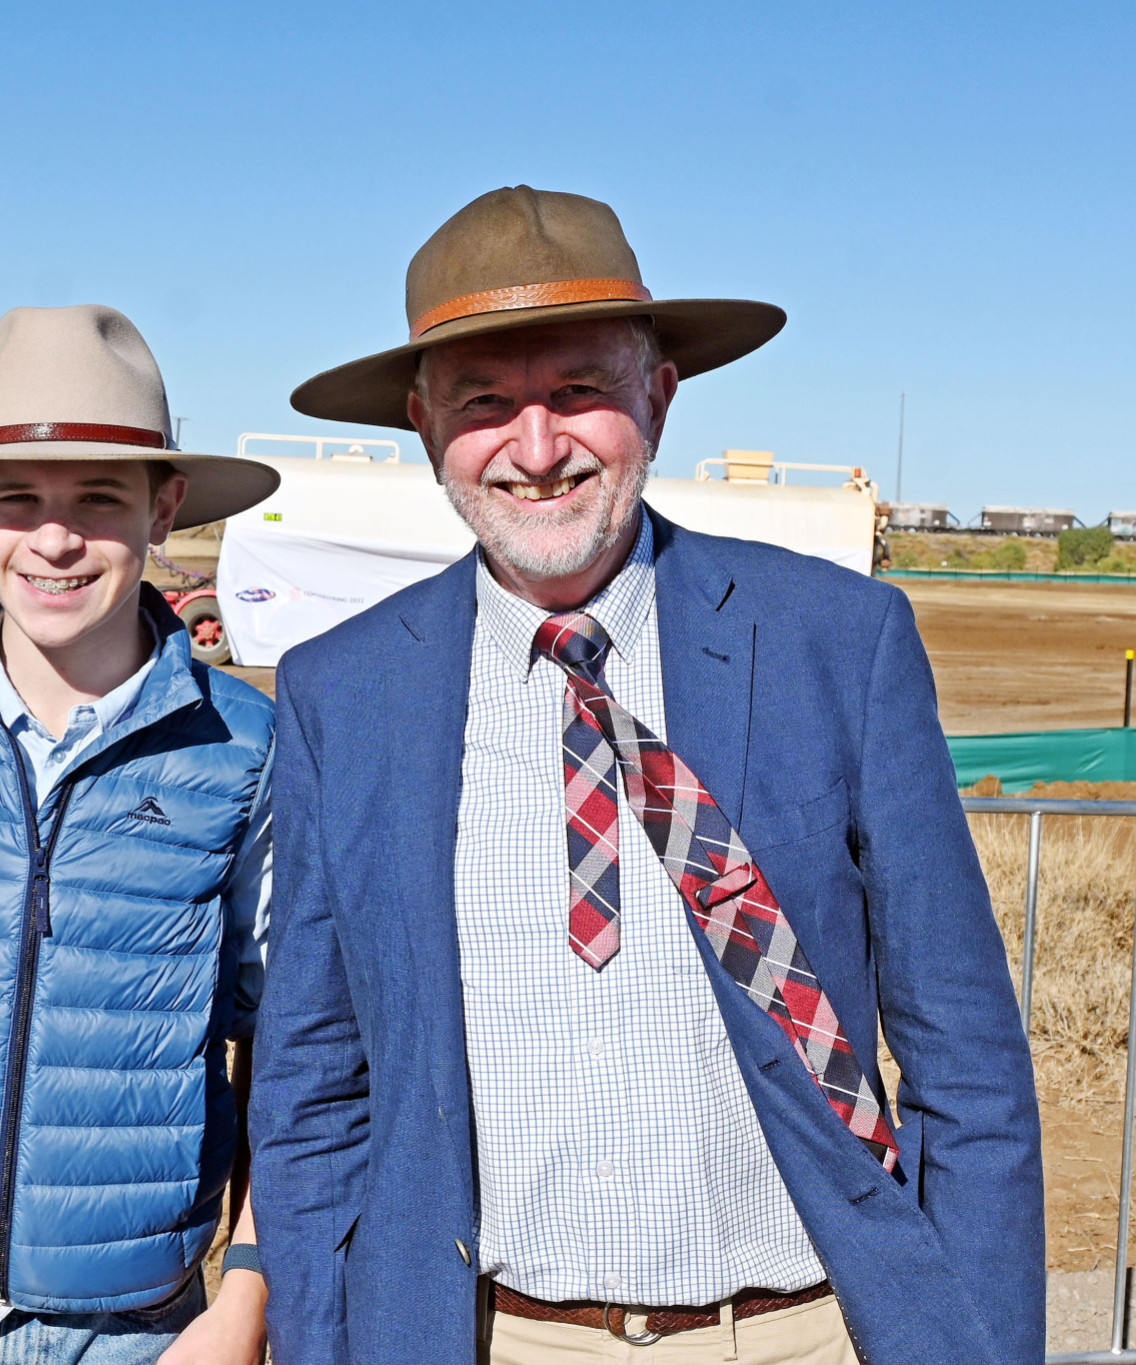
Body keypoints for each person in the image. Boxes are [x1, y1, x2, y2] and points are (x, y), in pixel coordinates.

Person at [250, 186, 1042, 1364]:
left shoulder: (835, 641)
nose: (534, 447)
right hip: (490, 1339)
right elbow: (314, 1093)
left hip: (797, 1335)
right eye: (482, 403)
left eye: (577, 390)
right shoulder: (343, 694)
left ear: (655, 399)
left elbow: (964, 1065)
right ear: (423, 429)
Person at [0, 304, 283, 1364]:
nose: (52, 539)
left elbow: (291, 1042)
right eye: (17, 500)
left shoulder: (245, 747)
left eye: (97, 500)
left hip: (138, 1329)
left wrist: (245, 1302)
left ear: (162, 508)